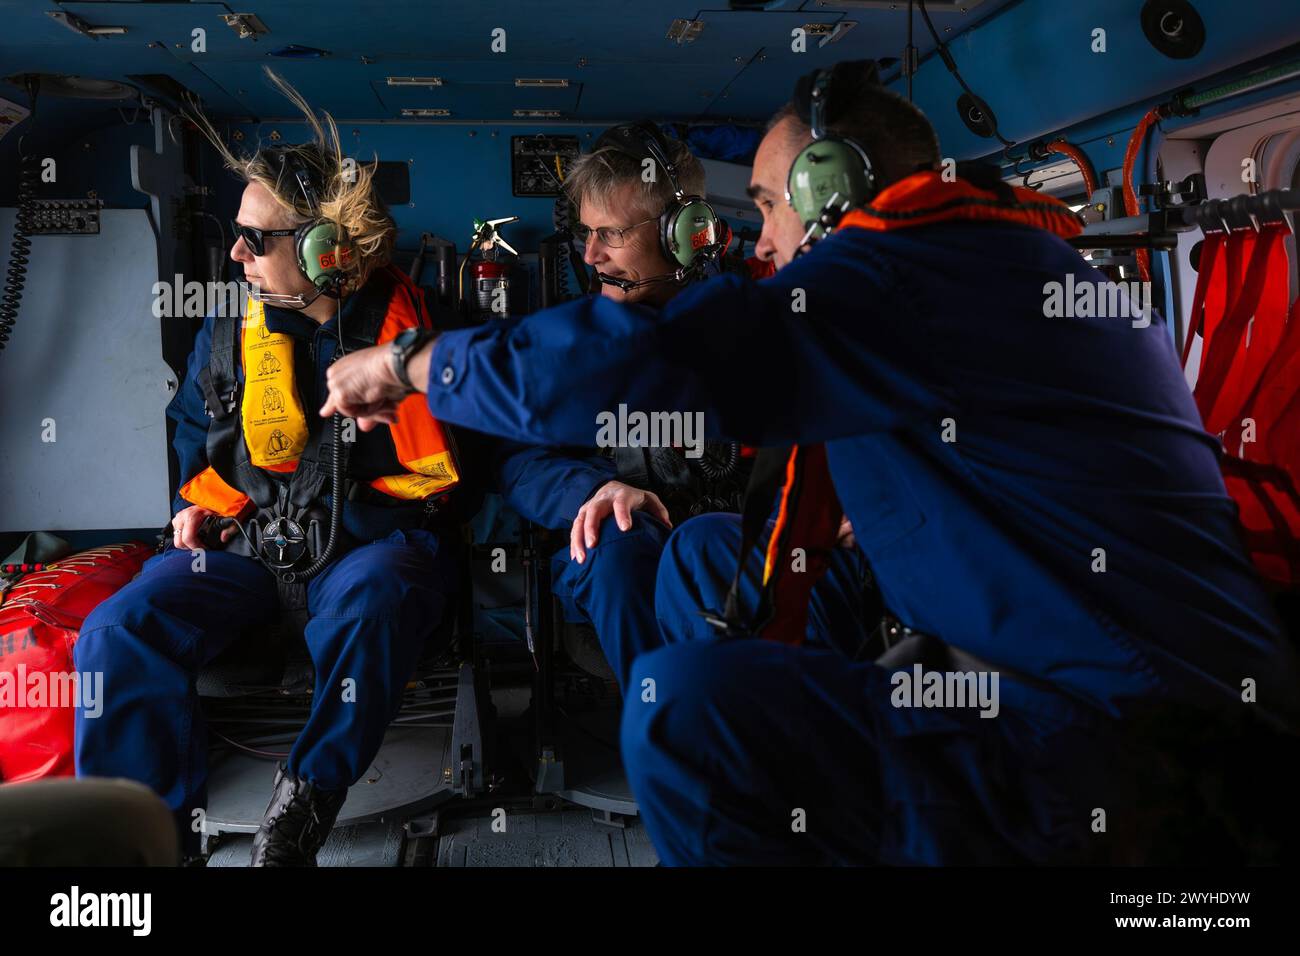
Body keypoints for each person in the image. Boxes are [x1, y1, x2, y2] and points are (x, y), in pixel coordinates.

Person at [321, 61, 1300, 864]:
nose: (767, 242)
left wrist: (410, 363)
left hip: (1125, 746)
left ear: (827, 187)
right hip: (1032, 649)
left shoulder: (903, 274)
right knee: (711, 555)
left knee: (680, 708)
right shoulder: (994, 254)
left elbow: (648, 360)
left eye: (766, 207)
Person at [75, 71, 470, 866]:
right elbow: (195, 441)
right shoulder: (225, 338)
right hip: (245, 550)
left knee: (377, 603)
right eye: (236, 231)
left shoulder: (425, 338)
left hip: (368, 550)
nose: (236, 251)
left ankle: (302, 806)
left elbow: (476, 468)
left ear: (326, 249)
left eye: (257, 237)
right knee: (114, 631)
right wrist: (191, 510)